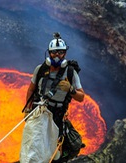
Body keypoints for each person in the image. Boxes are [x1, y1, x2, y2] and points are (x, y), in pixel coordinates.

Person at [24, 32, 85, 162]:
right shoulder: (40, 69)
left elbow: (81, 97)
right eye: (54, 52)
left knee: (56, 143)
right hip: (40, 110)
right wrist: (28, 110)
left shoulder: (70, 73)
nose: (57, 56)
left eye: (61, 52)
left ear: (65, 54)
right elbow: (31, 90)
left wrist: (70, 89)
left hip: (58, 113)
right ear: (49, 53)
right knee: (35, 139)